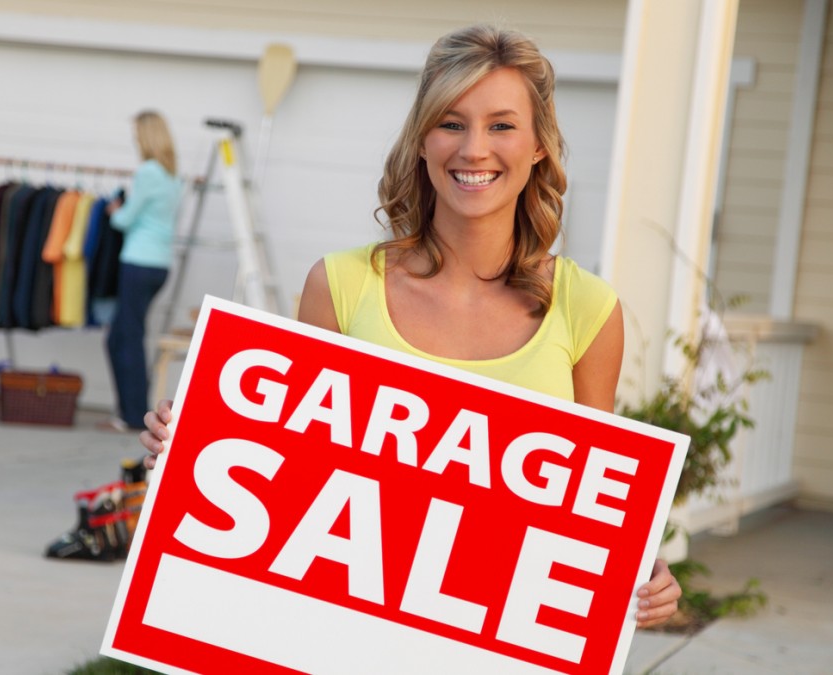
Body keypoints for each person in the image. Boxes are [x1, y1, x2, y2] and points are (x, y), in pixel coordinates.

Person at [138, 24, 681, 628]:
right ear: (422, 141)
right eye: (451, 123)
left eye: (501, 125)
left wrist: (642, 573)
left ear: (537, 148)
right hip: (347, 639)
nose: (474, 149)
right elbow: (286, 484)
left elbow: (589, 518)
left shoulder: (587, 308)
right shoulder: (341, 286)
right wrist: (194, 447)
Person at [100, 111, 183, 433]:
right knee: (123, 336)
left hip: (138, 262)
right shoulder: (173, 175)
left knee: (127, 338)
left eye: (137, 135)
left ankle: (133, 416)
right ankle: (129, 412)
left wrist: (114, 211)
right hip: (160, 264)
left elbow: (124, 220)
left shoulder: (148, 172)